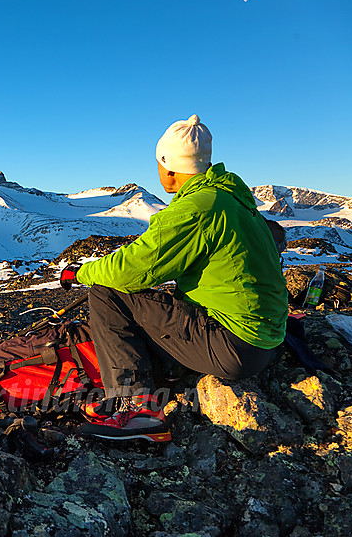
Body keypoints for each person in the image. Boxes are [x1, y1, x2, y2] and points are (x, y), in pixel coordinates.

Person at [59, 114, 288, 442]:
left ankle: (137, 408)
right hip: (265, 340)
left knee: (106, 291)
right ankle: (162, 374)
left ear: (167, 167)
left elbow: (128, 271)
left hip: (234, 346)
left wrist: (82, 271)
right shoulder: (232, 199)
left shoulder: (196, 209)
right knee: (158, 301)